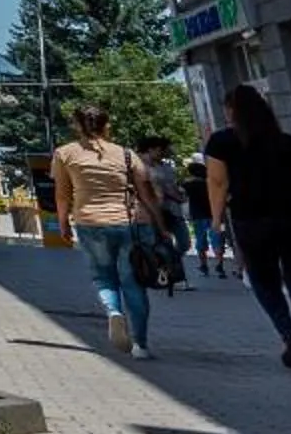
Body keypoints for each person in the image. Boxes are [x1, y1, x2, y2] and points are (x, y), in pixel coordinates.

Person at [205, 84, 291, 372]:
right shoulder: (289, 143)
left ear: (232, 111)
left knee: (264, 283)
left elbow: (218, 182)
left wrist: (216, 220)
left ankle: (290, 337)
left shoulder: (222, 142)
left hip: (254, 223)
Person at [52, 103, 160, 359]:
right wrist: (160, 225)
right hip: (129, 224)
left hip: (90, 223)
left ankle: (113, 312)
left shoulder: (65, 154)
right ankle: (141, 346)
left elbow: (62, 194)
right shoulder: (126, 154)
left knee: (103, 277)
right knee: (134, 284)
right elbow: (146, 193)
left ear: (77, 126)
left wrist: (63, 223)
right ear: (106, 125)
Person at [139, 136, 191, 292]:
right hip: (155, 211)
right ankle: (174, 277)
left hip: (173, 209)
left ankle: (169, 268)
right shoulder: (140, 166)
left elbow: (172, 186)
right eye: (161, 149)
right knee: (164, 244)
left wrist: (180, 195)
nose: (164, 152)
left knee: (184, 243)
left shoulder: (166, 166)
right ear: (151, 149)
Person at [182, 153, 228, 279]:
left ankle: (204, 265)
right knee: (217, 240)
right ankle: (219, 264)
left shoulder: (188, 185)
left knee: (201, 241)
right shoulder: (209, 183)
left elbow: (182, 197)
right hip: (213, 214)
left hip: (197, 215)